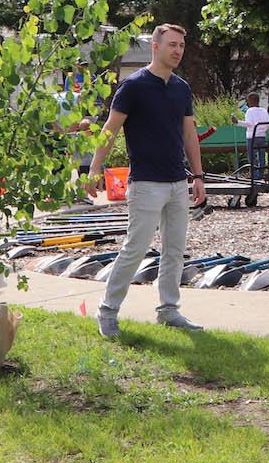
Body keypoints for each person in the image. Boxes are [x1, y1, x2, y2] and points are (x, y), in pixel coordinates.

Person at [87, 23, 207, 339]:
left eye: (181, 45)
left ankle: (169, 310)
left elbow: (189, 134)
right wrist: (94, 169)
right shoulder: (133, 86)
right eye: (172, 44)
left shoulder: (181, 88)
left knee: (174, 250)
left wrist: (198, 176)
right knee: (135, 249)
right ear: (155, 46)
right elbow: (110, 130)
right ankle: (108, 310)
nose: (178, 50)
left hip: (177, 183)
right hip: (146, 185)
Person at [242, 92, 269, 188]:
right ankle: (261, 174)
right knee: (262, 156)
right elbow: (268, 124)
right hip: (262, 137)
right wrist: (261, 130)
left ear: (251, 100)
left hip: (252, 137)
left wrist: (237, 122)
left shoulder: (249, 111)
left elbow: (249, 124)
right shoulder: (264, 110)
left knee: (252, 157)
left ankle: (254, 176)